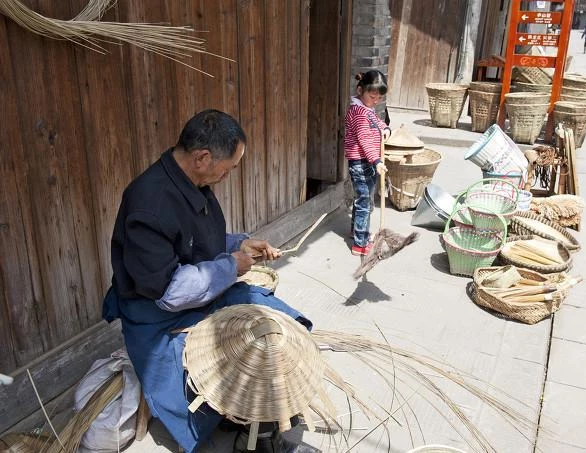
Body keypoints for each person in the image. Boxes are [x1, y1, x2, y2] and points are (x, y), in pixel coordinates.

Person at [102, 109, 314, 453]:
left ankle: (259, 421)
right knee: (210, 378)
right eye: (228, 168)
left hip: (200, 291)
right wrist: (232, 266)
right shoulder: (149, 204)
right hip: (158, 313)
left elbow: (194, 242)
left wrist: (239, 244)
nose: (228, 175)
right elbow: (170, 292)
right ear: (202, 157)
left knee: (276, 326)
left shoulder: (191, 181)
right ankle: (252, 431)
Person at [344, 70, 391, 256]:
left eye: (379, 98)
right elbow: (364, 139)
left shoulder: (366, 110)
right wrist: (377, 161)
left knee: (361, 200)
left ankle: (356, 231)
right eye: (372, 97)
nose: (376, 101)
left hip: (367, 161)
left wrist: (385, 128)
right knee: (364, 202)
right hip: (361, 163)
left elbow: (376, 121)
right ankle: (360, 244)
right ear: (360, 90)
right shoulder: (358, 112)